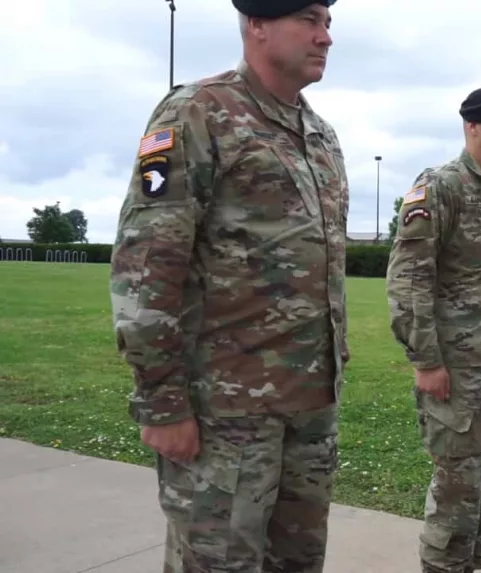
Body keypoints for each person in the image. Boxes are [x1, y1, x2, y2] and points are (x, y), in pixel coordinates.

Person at [108, 1, 349, 571]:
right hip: (225, 415)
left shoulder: (321, 136)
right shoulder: (198, 112)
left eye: (329, 24)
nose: (326, 38)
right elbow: (147, 262)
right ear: (257, 25)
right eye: (310, 20)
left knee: (297, 562)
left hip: (310, 411)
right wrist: (162, 404)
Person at [385, 87, 481, 573]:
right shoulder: (440, 186)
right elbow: (409, 279)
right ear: (473, 126)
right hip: (458, 371)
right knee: (456, 493)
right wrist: (426, 361)